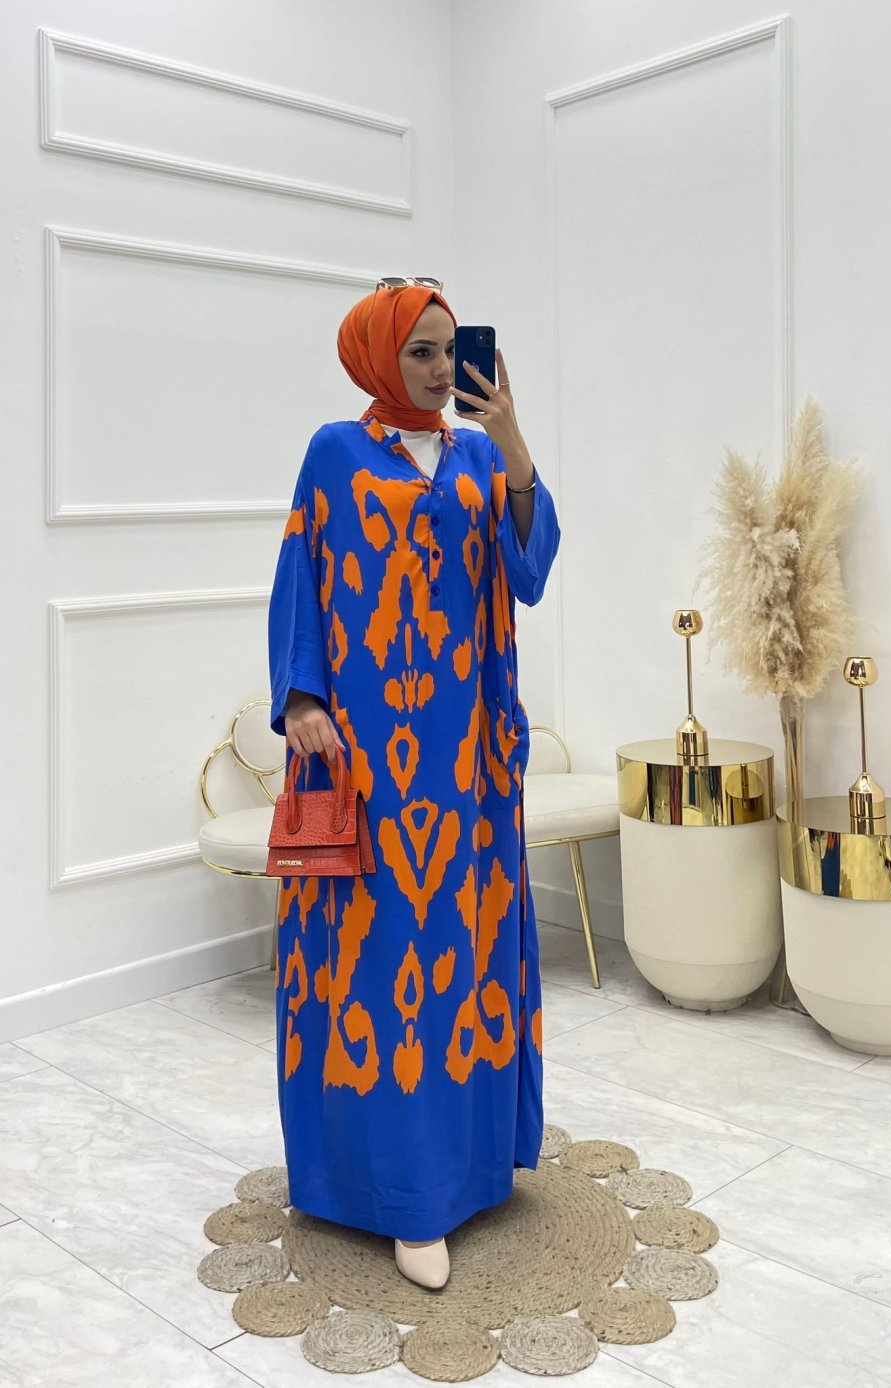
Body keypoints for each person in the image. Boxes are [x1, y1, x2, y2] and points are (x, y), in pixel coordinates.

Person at [267, 278, 560, 1290]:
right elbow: (300, 571)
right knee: (378, 959)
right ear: (377, 358)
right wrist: (302, 696)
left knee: (465, 951)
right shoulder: (335, 453)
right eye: (420, 352)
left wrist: (510, 434)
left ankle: (470, 1168)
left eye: (449, 350)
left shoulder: (478, 454)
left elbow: (530, 570)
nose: (440, 370)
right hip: (367, 754)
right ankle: (400, 1195)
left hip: (470, 754)